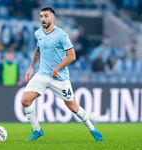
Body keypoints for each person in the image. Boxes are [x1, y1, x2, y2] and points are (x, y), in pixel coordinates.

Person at [21, 7, 103, 141]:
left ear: (53, 18)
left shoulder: (61, 35)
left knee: (73, 108)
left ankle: (92, 128)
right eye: (41, 16)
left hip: (59, 78)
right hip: (42, 74)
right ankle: (37, 130)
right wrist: (31, 68)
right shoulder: (38, 33)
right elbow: (38, 50)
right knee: (25, 100)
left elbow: (72, 56)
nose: (43, 19)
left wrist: (56, 69)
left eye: (46, 16)